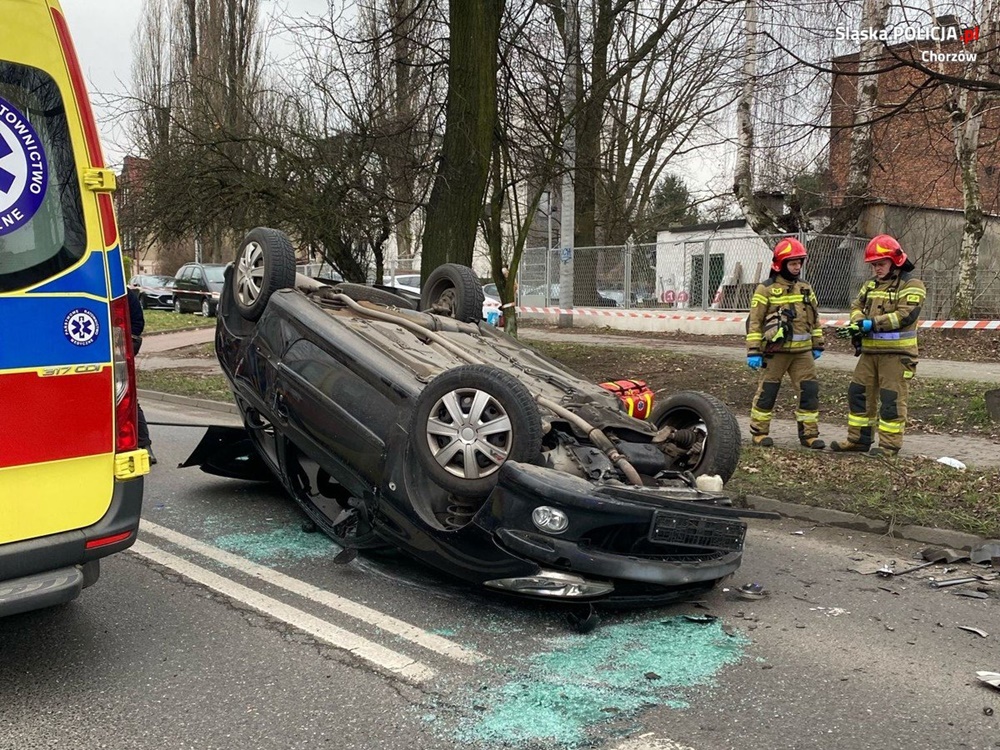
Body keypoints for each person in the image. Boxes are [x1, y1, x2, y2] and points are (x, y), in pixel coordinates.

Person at [831, 235, 925, 457]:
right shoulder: (871, 285)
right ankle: (858, 440)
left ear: (895, 261)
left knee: (891, 399)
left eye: (881, 264)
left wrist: (871, 323)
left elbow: (905, 315)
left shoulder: (913, 285)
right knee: (858, 393)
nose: (876, 269)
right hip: (870, 352)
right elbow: (856, 305)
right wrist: (857, 322)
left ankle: (889, 445)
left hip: (897, 355)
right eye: (873, 265)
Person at [745, 237, 825, 449]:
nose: (797, 267)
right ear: (780, 265)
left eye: (799, 262)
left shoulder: (805, 287)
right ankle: (759, 432)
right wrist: (754, 351)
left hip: (803, 353)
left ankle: (809, 435)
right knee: (768, 391)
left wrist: (818, 343)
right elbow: (755, 322)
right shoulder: (766, 289)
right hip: (775, 351)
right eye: (792, 263)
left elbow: (815, 318)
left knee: (809, 391)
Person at [127, 284, 156, 465]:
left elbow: (137, 325)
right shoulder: (123, 291)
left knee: (126, 397)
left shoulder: (120, 293)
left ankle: (144, 446)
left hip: (123, 344)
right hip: (126, 342)